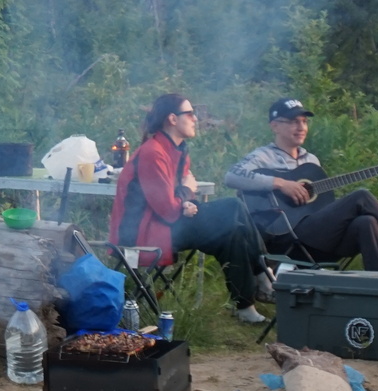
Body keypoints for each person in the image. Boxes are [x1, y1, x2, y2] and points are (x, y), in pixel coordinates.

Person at [111, 92, 270, 324]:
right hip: (143, 232)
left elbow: (179, 195)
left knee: (232, 232)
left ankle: (245, 305)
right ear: (173, 119)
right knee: (232, 206)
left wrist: (187, 200)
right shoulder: (152, 152)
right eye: (190, 113)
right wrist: (186, 194)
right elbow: (167, 207)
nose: (195, 118)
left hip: (166, 223)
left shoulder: (178, 150)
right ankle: (263, 273)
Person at [223, 97, 378, 271]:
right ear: (274, 126)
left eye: (304, 121)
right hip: (288, 239)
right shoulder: (263, 156)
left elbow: (320, 206)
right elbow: (231, 176)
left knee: (366, 222)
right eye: (293, 122)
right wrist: (280, 183)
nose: (301, 127)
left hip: (319, 240)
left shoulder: (311, 161)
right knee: (361, 196)